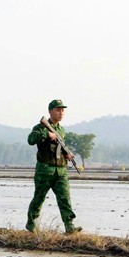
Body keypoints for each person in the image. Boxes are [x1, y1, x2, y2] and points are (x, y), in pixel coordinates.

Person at [25, 99, 81, 234]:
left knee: (65, 199)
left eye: (63, 110)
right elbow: (31, 140)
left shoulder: (61, 130)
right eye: (58, 110)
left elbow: (58, 147)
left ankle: (69, 226)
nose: (61, 112)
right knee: (39, 198)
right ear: (50, 111)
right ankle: (31, 226)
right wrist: (47, 134)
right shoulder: (41, 127)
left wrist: (66, 154)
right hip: (45, 170)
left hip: (61, 171)